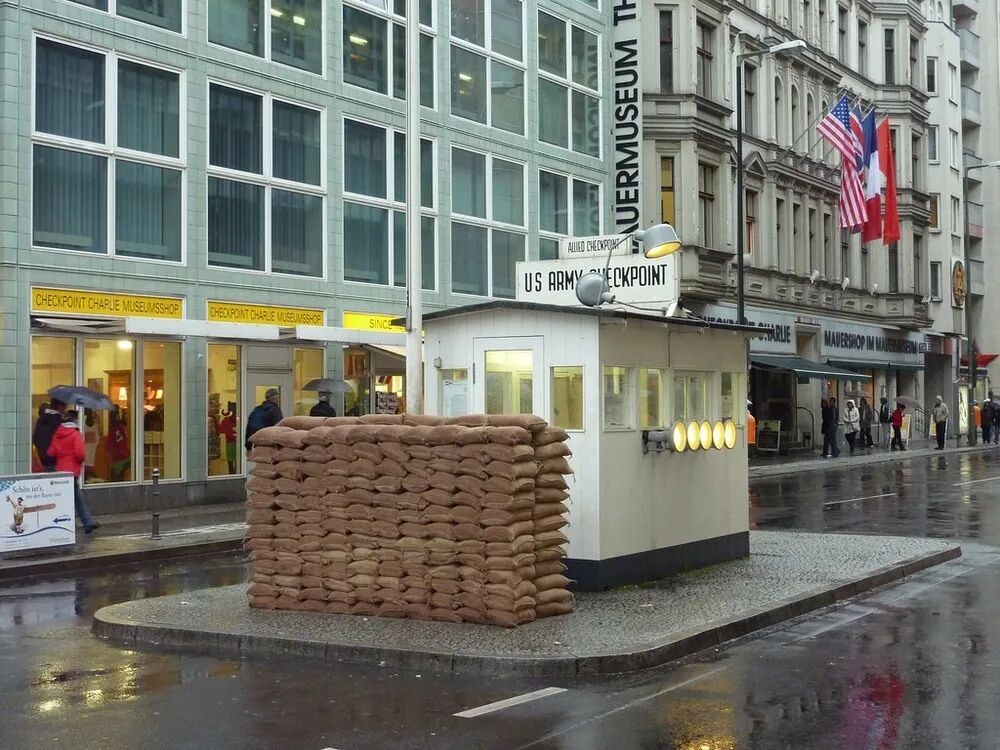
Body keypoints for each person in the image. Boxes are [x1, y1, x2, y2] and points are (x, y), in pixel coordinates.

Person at [47, 410, 99, 534]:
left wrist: (61, 454)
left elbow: (51, 452)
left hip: (60, 470)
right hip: (72, 471)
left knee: (71, 497)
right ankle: (82, 523)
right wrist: (79, 461)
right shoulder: (75, 434)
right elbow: (80, 454)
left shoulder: (57, 433)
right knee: (76, 497)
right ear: (74, 420)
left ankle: (86, 522)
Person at [32, 398, 65, 472]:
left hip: (41, 458)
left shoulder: (40, 420)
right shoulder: (58, 421)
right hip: (54, 459)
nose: (64, 411)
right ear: (60, 407)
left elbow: (36, 437)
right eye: (64, 408)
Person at [217, 404, 238, 474]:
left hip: (232, 441)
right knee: (233, 457)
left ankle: (232, 471)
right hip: (232, 442)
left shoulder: (226, 420)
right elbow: (221, 429)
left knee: (231, 457)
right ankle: (233, 470)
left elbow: (221, 429)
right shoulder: (227, 420)